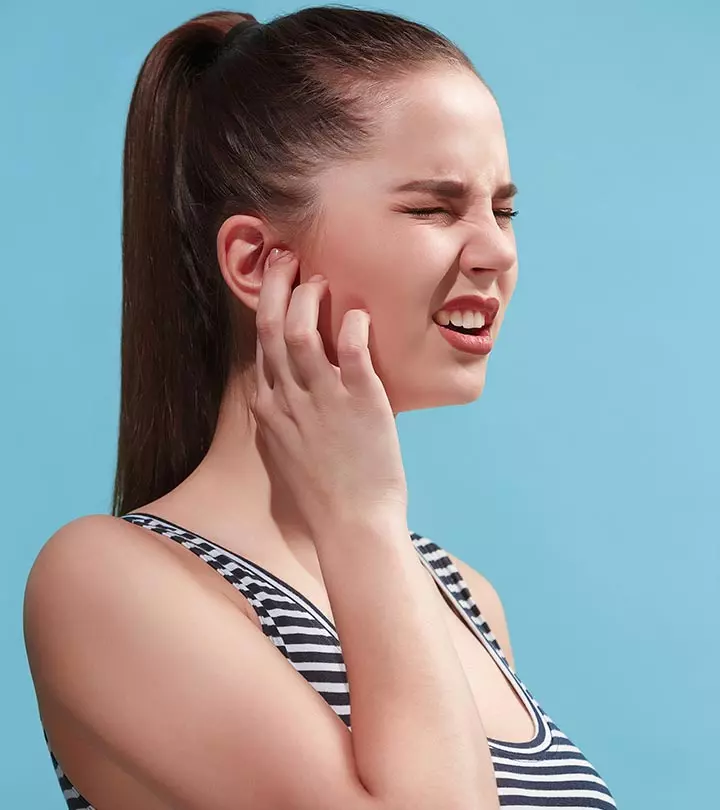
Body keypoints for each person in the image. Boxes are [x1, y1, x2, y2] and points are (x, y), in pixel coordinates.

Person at [22, 6, 617, 809]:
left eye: (502, 210)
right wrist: (362, 515)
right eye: (432, 209)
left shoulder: (463, 596)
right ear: (258, 262)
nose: (497, 250)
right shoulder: (105, 585)